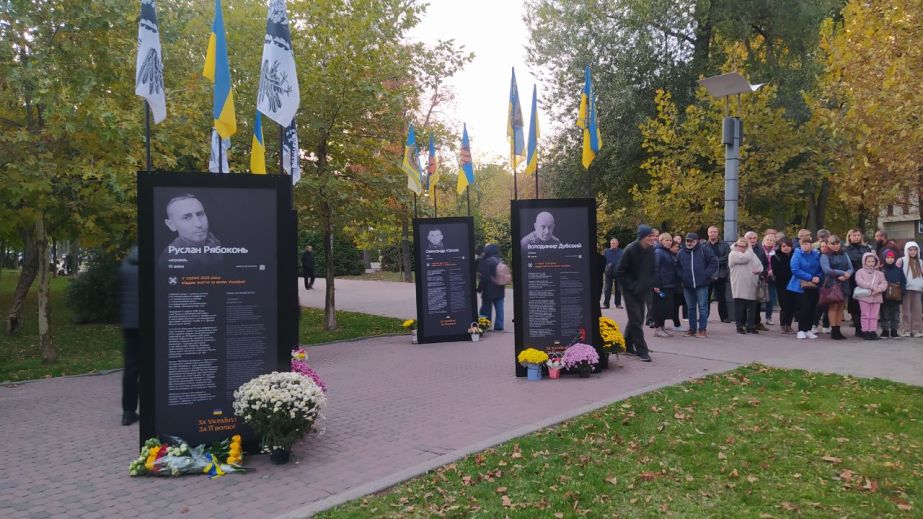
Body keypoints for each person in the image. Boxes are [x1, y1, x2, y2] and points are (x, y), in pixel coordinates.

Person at [614, 224, 657, 362]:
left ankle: (626, 345)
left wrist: (652, 282)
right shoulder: (630, 249)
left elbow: (651, 268)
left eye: (653, 236)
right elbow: (619, 271)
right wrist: (632, 286)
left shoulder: (650, 249)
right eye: (650, 236)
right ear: (642, 237)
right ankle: (642, 351)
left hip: (643, 290)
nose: (653, 238)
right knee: (637, 320)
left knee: (636, 319)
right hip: (630, 291)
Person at [158, 193, 222, 271]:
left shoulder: (213, 240)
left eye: (200, 214)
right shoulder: (170, 257)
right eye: (186, 217)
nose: (198, 224)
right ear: (171, 225)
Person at [675, 232, 718, 337]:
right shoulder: (681, 252)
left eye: (691, 241)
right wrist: (682, 276)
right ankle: (692, 329)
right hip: (687, 284)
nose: (689, 243)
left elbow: (713, 262)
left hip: (702, 284)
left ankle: (702, 329)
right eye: (687, 241)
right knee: (690, 307)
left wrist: (706, 275)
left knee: (703, 307)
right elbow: (677, 266)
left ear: (697, 241)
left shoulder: (704, 250)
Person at [120, 246, 140, 426]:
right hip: (149, 325)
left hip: (129, 324)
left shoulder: (125, 265)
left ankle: (128, 411)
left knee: (131, 368)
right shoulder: (153, 263)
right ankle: (152, 409)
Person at [787, 237, 823, 340]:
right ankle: (801, 330)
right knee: (804, 307)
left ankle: (808, 329)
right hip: (799, 286)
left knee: (812, 308)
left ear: (811, 245)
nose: (805, 246)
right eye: (803, 244)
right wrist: (810, 277)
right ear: (800, 245)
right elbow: (795, 269)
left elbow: (820, 268)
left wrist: (818, 277)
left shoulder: (816, 255)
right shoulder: (797, 254)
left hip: (813, 285)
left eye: (807, 244)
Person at [819, 235, 853, 340]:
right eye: (832, 244)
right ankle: (833, 330)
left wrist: (848, 274)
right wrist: (843, 273)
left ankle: (838, 330)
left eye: (837, 243)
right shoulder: (825, 255)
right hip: (832, 283)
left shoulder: (844, 254)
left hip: (844, 283)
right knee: (833, 307)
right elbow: (827, 270)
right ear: (828, 244)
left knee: (841, 307)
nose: (835, 246)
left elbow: (850, 268)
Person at [729, 238, 763, 334]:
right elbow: (746, 258)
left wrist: (758, 270)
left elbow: (760, 265)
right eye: (738, 245)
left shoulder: (751, 254)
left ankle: (751, 326)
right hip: (739, 283)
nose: (740, 248)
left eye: (743, 246)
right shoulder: (733, 254)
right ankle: (739, 326)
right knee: (740, 306)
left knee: (752, 306)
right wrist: (749, 247)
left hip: (752, 282)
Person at [854, 252, 888, 340]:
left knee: (874, 315)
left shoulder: (879, 273)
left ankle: (872, 331)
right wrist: (871, 286)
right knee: (865, 314)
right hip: (864, 297)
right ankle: (865, 331)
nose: (871, 263)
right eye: (868, 261)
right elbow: (859, 281)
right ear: (864, 261)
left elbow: (884, 283)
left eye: (873, 261)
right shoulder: (860, 272)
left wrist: (879, 289)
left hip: (877, 297)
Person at [845, 229, 872, 337]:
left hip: (866, 279)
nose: (856, 237)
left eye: (858, 235)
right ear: (849, 237)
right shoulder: (846, 249)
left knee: (866, 303)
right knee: (855, 304)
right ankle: (858, 328)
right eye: (854, 235)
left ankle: (867, 327)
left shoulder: (867, 248)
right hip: (852, 280)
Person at [652, 233, 678, 337]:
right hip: (661, 285)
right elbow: (655, 269)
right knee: (659, 307)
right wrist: (656, 285)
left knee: (665, 308)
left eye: (670, 240)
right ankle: (657, 329)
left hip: (668, 284)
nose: (669, 242)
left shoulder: (666, 252)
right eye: (666, 240)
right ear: (661, 241)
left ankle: (662, 327)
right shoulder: (658, 252)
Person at [705, 226, 732, 323]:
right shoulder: (703, 245)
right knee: (706, 297)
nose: (713, 233)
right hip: (708, 275)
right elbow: (703, 259)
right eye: (711, 232)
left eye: (715, 232)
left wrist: (714, 261)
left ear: (718, 233)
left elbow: (727, 257)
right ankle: (704, 316)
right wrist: (714, 262)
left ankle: (724, 317)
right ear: (708, 233)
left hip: (721, 274)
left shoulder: (724, 245)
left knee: (721, 297)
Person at [897, 241, 923, 337]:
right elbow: (897, 272)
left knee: (917, 310)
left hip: (918, 288)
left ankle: (916, 330)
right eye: (910, 250)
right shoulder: (902, 260)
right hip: (906, 288)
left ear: (918, 251)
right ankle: (906, 329)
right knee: (906, 311)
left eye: (915, 250)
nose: (913, 252)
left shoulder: (920, 262)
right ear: (906, 250)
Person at [477, 243, 505, 331]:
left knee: (485, 309)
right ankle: (499, 326)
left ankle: (484, 325)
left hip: (489, 290)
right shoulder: (499, 260)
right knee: (499, 309)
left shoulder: (487, 261)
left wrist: (479, 288)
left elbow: (484, 277)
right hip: (500, 289)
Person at [771, 238, 796, 334]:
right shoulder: (775, 257)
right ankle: (782, 325)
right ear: (780, 247)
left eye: (788, 246)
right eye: (784, 246)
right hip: (782, 284)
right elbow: (776, 272)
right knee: (784, 305)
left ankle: (789, 325)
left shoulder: (795, 255)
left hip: (794, 284)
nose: (786, 248)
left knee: (792, 305)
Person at [745, 231, 769, 331]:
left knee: (757, 302)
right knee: (745, 302)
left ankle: (756, 322)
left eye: (754, 238)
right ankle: (746, 323)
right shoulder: (742, 248)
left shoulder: (760, 249)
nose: (752, 240)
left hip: (758, 278)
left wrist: (763, 273)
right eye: (750, 238)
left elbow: (765, 263)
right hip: (745, 279)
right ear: (745, 239)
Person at [880, 249, 906, 339]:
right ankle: (885, 331)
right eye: (888, 257)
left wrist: (902, 290)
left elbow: (903, 281)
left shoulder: (898, 270)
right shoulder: (881, 269)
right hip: (884, 296)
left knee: (895, 314)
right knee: (884, 313)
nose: (890, 259)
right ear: (884, 258)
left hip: (896, 297)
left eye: (892, 257)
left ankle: (894, 331)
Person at [761, 234, 778, 325]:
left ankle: (768, 317)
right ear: (764, 241)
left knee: (770, 298)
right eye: (768, 239)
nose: (769, 241)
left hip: (772, 278)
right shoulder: (760, 250)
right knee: (759, 297)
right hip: (762, 276)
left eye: (771, 240)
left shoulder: (776, 252)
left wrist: (773, 270)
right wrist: (766, 270)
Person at [602, 238, 623, 309]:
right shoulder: (606, 251)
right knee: (607, 289)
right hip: (608, 273)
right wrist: (604, 269)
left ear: (617, 244)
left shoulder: (621, 252)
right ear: (610, 244)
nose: (613, 245)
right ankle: (606, 304)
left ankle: (618, 304)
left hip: (618, 273)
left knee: (618, 289)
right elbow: (603, 261)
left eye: (614, 243)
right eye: (612, 243)